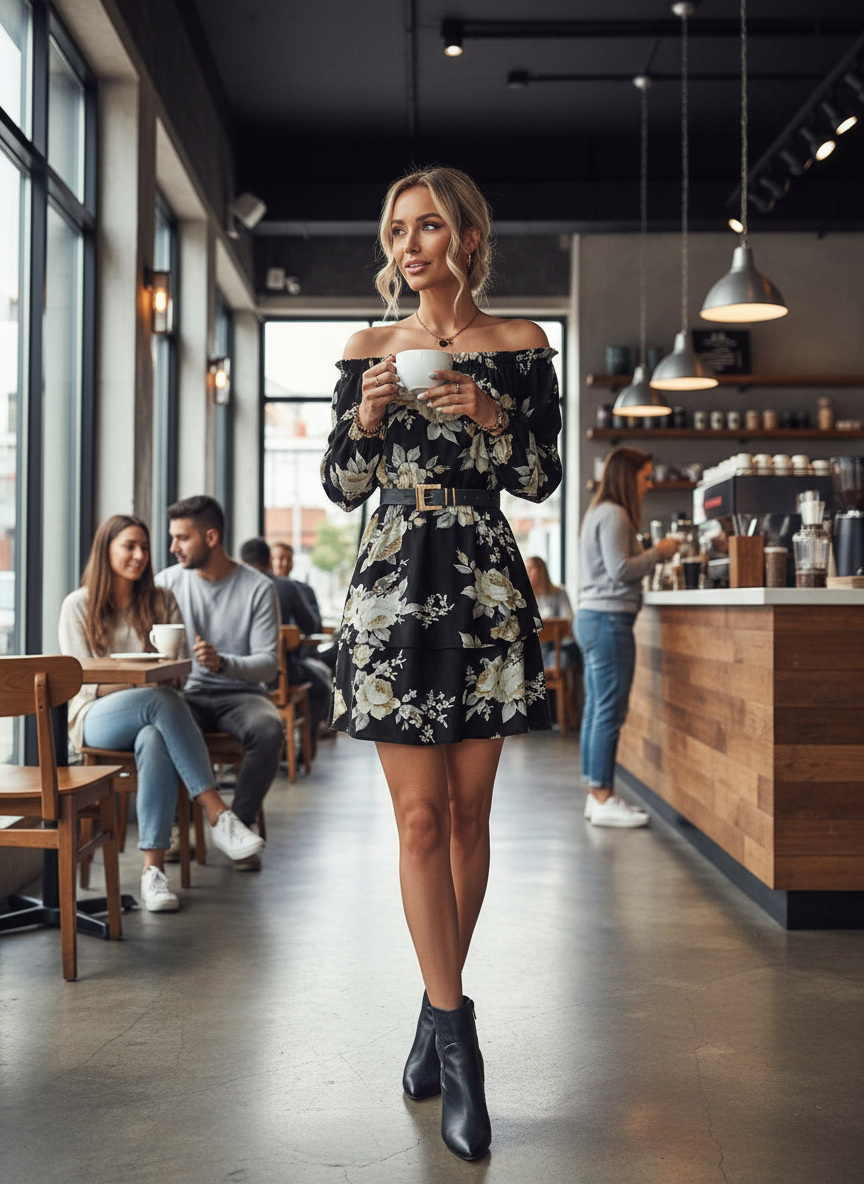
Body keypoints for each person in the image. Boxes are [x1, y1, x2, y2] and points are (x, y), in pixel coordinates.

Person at [321, 166, 561, 1161]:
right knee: (418, 818)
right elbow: (341, 484)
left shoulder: (520, 343)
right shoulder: (368, 347)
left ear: (466, 233)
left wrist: (493, 418)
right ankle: (460, 1042)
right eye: (396, 229)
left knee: (468, 814)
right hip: (388, 586)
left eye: (428, 226)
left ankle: (433, 1006)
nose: (408, 244)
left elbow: (542, 473)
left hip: (486, 584)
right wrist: (370, 421)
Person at [58, 516, 265, 912]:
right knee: (159, 702)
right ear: (106, 550)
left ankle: (152, 873)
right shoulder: (78, 605)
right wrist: (147, 684)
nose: (139, 556)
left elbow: (180, 670)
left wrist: (161, 680)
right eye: (129, 546)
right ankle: (218, 814)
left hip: (151, 714)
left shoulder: (160, 599)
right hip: (94, 717)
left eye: (144, 547)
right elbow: (82, 682)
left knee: (155, 733)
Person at [156, 497, 284, 872]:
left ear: (210, 537)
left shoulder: (258, 588)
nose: (172, 547)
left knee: (269, 727)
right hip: (185, 695)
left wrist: (223, 663)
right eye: (172, 537)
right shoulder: (166, 583)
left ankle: (237, 827)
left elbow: (269, 666)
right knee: (164, 726)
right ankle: (178, 827)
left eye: (182, 538)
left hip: (240, 695)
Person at [576, 448, 678, 828]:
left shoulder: (598, 512)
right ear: (627, 477)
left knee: (596, 709)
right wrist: (661, 552)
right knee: (609, 711)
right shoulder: (616, 514)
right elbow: (621, 570)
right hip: (609, 621)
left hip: (594, 618)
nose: (650, 484)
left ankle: (595, 793)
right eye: (645, 477)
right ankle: (603, 797)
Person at [239, 537, 333, 736]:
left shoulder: (232, 588)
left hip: (238, 674)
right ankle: (302, 749)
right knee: (323, 688)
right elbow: (311, 625)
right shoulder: (286, 587)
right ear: (268, 561)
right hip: (279, 675)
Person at [270, 541, 322, 632]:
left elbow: (315, 625)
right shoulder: (264, 589)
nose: (285, 563)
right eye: (281, 558)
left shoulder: (306, 590)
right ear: (270, 561)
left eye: (289, 559)